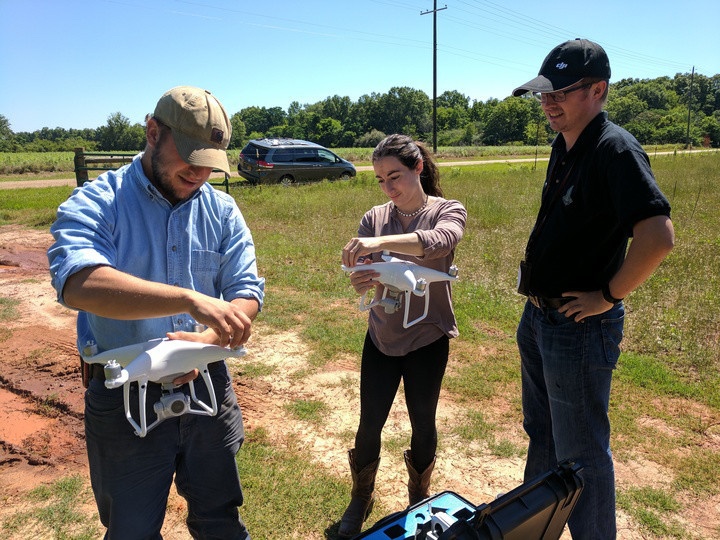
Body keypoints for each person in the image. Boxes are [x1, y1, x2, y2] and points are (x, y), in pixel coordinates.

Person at [47, 86, 265, 539]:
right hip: (123, 392)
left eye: (211, 162)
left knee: (220, 518)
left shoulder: (221, 211)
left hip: (207, 383)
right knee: (131, 530)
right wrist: (188, 299)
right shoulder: (99, 201)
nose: (201, 172)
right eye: (190, 156)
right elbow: (78, 282)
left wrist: (209, 343)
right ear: (152, 132)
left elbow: (245, 291)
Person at [511, 39, 675, 538]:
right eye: (543, 93)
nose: (548, 103)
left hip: (579, 328)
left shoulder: (615, 149)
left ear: (598, 90)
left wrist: (608, 296)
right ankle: (533, 529)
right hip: (541, 318)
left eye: (561, 92)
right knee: (542, 439)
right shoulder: (564, 145)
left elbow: (657, 236)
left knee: (582, 455)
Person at [338, 134, 466, 537]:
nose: (389, 187)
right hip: (382, 334)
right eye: (380, 180)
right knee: (368, 422)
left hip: (427, 337)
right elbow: (367, 271)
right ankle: (361, 497)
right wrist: (361, 281)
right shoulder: (374, 218)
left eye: (395, 176)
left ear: (418, 168)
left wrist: (379, 244)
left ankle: (418, 496)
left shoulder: (448, 210)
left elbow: (438, 243)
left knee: (422, 421)